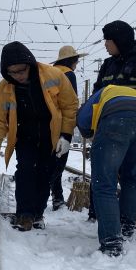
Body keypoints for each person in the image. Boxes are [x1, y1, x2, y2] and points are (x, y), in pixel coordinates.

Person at [0, 41, 79, 231]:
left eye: (22, 70)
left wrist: (66, 136)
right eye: (13, 72)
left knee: (45, 173)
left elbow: (70, 106)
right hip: (24, 136)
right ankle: (25, 214)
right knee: (26, 169)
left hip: (49, 134)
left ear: (29, 64)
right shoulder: (3, 89)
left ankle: (38, 214)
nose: (19, 76)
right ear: (6, 72)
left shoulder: (54, 76)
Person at [77, 85, 136, 256]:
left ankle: (112, 242)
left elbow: (83, 120)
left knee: (104, 183)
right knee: (133, 179)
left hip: (117, 117)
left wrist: (90, 133)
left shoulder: (102, 92)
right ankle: (126, 229)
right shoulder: (131, 93)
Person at [87, 20, 136, 222]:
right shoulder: (108, 64)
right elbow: (97, 95)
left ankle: (127, 224)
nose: (105, 44)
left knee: (130, 177)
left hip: (134, 128)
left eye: (108, 40)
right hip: (107, 127)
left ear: (119, 40)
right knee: (103, 172)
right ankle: (97, 215)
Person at [48, 45, 87, 210]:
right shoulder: (68, 75)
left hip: (46, 123)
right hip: (61, 123)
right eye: (76, 61)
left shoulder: (50, 73)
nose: (77, 64)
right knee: (58, 163)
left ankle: (57, 197)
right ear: (71, 61)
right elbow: (70, 102)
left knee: (49, 161)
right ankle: (43, 195)